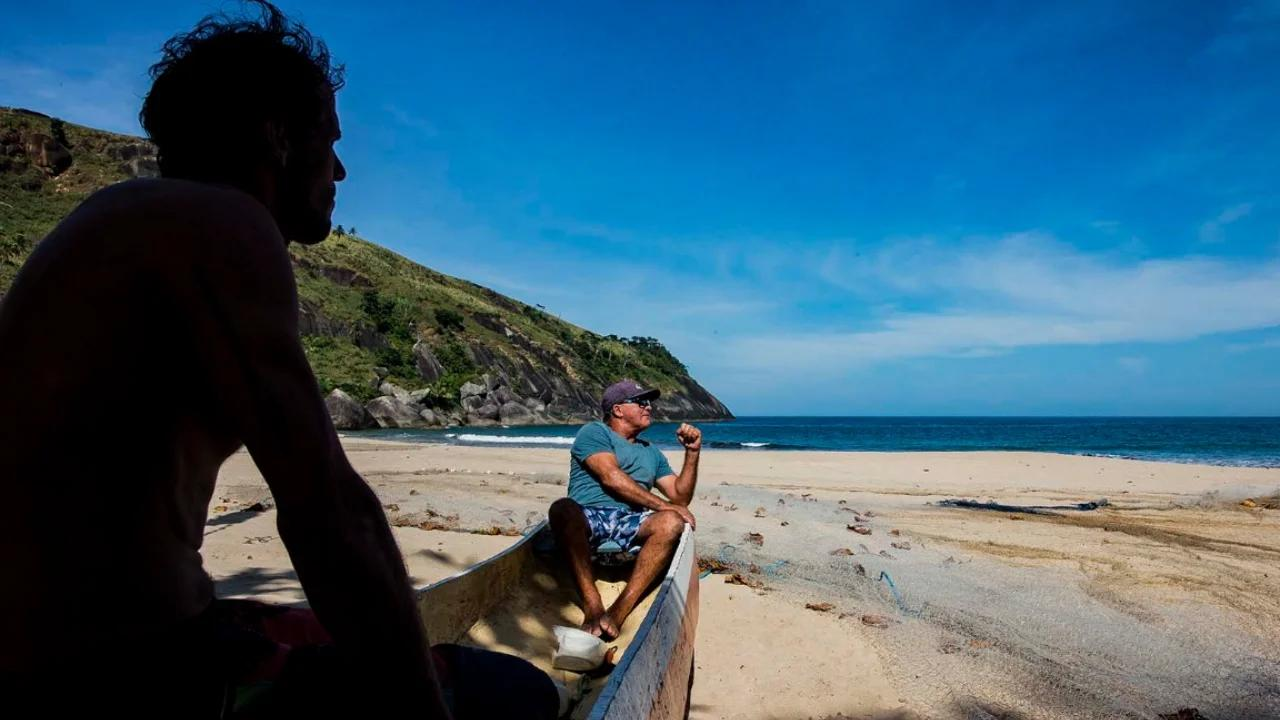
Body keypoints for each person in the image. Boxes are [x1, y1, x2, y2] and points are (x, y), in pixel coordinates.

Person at [0, 3, 556, 717]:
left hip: (59, 639)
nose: (343, 169)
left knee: (321, 630)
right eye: (330, 140)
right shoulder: (221, 225)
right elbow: (327, 509)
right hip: (113, 671)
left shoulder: (125, 219)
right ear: (277, 137)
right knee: (516, 692)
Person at [548, 380, 702, 641]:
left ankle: (618, 612)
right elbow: (611, 477)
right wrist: (666, 506)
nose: (648, 407)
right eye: (641, 402)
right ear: (618, 410)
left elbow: (680, 496)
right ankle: (593, 604)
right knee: (562, 509)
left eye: (649, 402)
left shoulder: (651, 452)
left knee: (671, 523)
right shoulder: (595, 432)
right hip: (588, 515)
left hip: (630, 521)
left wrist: (692, 452)